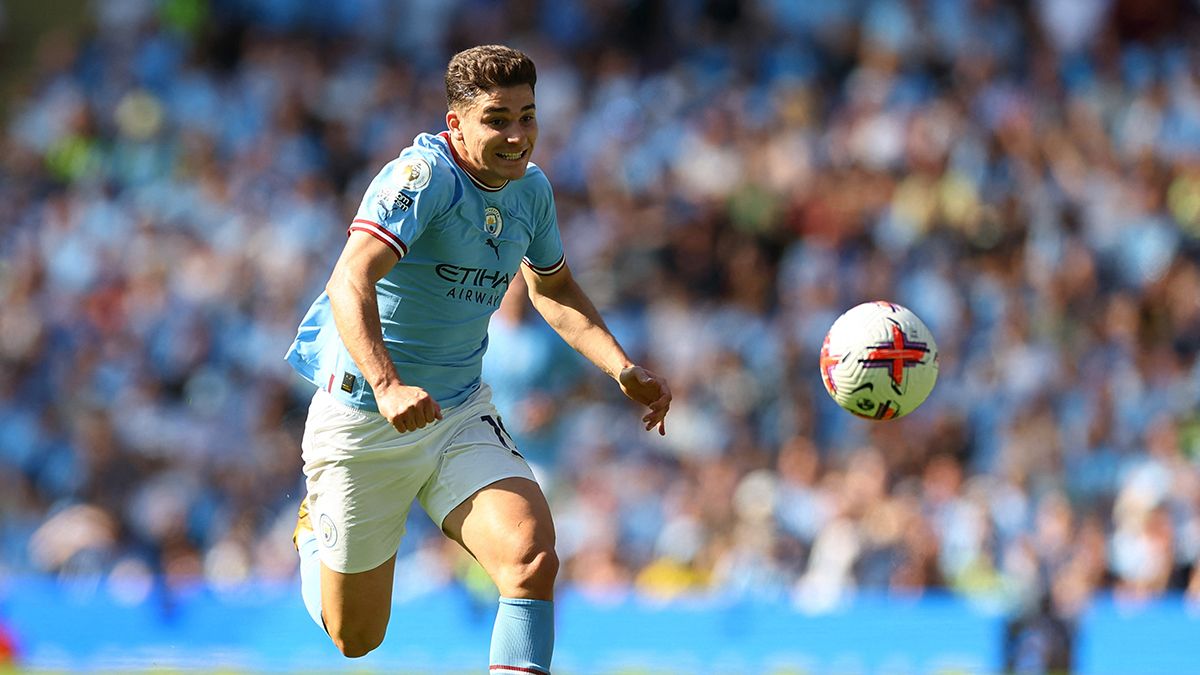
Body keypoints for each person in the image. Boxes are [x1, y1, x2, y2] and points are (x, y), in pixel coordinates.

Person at [284, 44, 672, 673]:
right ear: (456, 122)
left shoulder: (532, 191)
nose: (518, 135)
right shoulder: (422, 177)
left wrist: (620, 367)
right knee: (356, 637)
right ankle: (314, 532)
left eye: (528, 116)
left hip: (459, 412)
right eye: (498, 118)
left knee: (531, 558)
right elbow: (349, 279)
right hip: (365, 416)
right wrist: (386, 386)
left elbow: (553, 287)